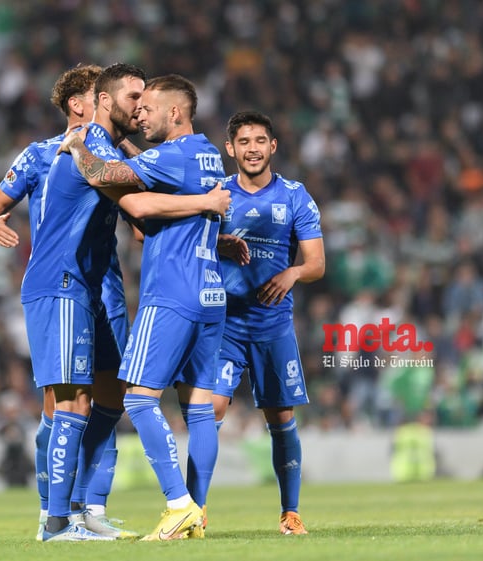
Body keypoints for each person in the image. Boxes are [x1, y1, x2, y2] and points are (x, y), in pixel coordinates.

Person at [22, 64, 230, 542]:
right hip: (207, 291)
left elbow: (127, 198)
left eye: (149, 105)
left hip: (170, 292)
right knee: (195, 407)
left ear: (175, 112)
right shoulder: (208, 156)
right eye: (135, 101)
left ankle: (171, 505)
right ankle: (191, 511)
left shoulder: (158, 154)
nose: (142, 112)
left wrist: (81, 149)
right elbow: (147, 211)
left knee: (134, 397)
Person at [0, 63, 130, 540]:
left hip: (105, 282)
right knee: (62, 400)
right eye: (98, 93)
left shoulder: (110, 148)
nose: (110, 100)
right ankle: (53, 513)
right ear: (78, 105)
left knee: (110, 397)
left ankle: (88, 509)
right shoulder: (44, 154)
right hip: (64, 281)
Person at [212, 110, 325, 535]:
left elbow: (316, 263)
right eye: (244, 141)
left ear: (273, 146)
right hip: (225, 322)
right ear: (231, 149)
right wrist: (216, 241)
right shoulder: (217, 193)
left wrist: (293, 272)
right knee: (210, 411)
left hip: (273, 324)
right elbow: (186, 243)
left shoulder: (295, 196)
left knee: (280, 418)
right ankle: (194, 511)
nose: (253, 148)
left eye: (260, 140)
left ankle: (290, 512)